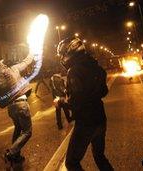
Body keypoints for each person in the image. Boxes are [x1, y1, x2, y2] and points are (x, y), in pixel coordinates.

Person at [56, 37, 113, 171]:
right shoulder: (95, 65)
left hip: (86, 122)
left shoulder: (74, 71)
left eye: (63, 54)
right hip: (100, 118)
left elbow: (76, 101)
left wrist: (61, 101)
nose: (62, 57)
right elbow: (104, 91)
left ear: (70, 52)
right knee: (99, 156)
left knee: (71, 162)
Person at [0, 53, 34, 167]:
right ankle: (11, 153)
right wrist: (32, 52)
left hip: (11, 108)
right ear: (2, 65)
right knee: (27, 132)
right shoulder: (13, 69)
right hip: (21, 105)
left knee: (18, 128)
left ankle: (16, 156)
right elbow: (26, 62)